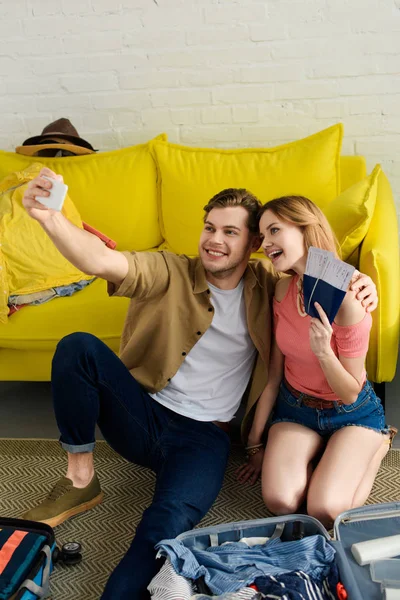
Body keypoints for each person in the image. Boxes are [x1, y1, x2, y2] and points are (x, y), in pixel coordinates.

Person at [21, 171, 378, 599]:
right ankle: (81, 477)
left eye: (231, 232)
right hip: (145, 414)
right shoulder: (170, 270)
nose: (214, 240)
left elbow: (321, 272)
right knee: (78, 347)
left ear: (252, 247)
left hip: (206, 437)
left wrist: (363, 282)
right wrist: (49, 218)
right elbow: (102, 261)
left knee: (167, 522)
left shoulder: (269, 283)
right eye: (209, 228)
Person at [237, 195, 395, 528]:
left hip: (351, 411)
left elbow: (351, 391)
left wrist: (324, 351)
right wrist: (255, 444)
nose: (265, 244)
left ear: (306, 228)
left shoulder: (350, 297)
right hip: (296, 408)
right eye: (262, 237)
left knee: (324, 511)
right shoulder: (281, 291)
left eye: (274, 231)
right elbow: (274, 376)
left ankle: (378, 444)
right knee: (281, 501)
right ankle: (326, 455)